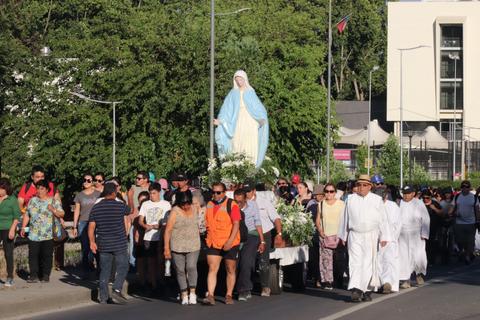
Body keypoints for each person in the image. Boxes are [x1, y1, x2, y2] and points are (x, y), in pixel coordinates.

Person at [338, 175, 391, 302]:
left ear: (370, 186)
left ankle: (367, 290)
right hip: (355, 235)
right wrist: (343, 235)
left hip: (371, 235)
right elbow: (345, 218)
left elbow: (383, 220)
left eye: (365, 185)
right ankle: (356, 289)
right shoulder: (350, 199)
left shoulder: (377, 200)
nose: (361, 187)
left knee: (368, 263)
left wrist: (384, 236)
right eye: (359, 185)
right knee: (355, 262)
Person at [214, 70, 269, 168]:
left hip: (250, 120)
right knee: (237, 141)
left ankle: (249, 163)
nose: (239, 82)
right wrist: (221, 121)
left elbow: (259, 108)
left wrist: (261, 118)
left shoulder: (251, 92)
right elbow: (226, 109)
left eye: (241, 79)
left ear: (245, 79)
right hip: (237, 120)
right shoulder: (232, 93)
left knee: (249, 141)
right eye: (237, 80)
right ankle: (237, 164)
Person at [88, 182, 131, 304]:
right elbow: (130, 210)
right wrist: (130, 197)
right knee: (123, 266)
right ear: (113, 193)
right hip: (119, 243)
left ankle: (103, 297)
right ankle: (117, 289)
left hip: (103, 243)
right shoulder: (120, 206)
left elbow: (91, 227)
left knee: (104, 270)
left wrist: (92, 242)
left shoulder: (96, 207)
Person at [203, 182, 241, 306]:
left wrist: (230, 241)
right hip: (213, 242)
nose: (215, 195)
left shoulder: (232, 204)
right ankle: (210, 295)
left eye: (218, 192)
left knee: (230, 269)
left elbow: (236, 224)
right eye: (213, 192)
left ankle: (229, 295)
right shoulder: (209, 204)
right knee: (212, 268)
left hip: (229, 242)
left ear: (224, 193)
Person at [20, 179, 64, 283]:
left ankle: (45, 275)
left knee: (46, 255)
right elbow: (27, 214)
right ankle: (33, 275)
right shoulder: (32, 200)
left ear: (47, 190)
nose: (39, 191)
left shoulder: (53, 201)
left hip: (47, 234)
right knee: (33, 255)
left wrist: (53, 210)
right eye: (38, 188)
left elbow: (62, 214)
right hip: (33, 234)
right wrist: (23, 226)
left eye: (42, 188)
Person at [245, 182, 282, 297]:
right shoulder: (242, 203)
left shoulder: (264, 202)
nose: (247, 194)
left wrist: (279, 233)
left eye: (249, 191)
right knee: (247, 261)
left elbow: (276, 218)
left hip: (265, 233)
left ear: (254, 191)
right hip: (249, 234)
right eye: (245, 191)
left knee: (263, 261)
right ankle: (247, 287)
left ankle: (265, 286)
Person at [164, 190, 201, 305]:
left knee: (191, 267)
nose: (185, 206)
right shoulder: (175, 211)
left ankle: (193, 292)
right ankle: (184, 293)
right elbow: (168, 230)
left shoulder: (195, 208)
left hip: (193, 244)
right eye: (183, 204)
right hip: (177, 245)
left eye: (187, 203)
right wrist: (166, 248)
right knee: (180, 270)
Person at [138, 182, 171, 293]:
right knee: (151, 262)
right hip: (149, 238)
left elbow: (168, 221)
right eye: (150, 193)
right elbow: (140, 220)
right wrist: (145, 225)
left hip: (161, 237)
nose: (152, 196)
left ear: (159, 192)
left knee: (161, 261)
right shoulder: (145, 204)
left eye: (154, 193)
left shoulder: (166, 204)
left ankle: (161, 282)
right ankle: (153, 285)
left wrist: (161, 225)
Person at [235, 188, 265, 301]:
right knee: (235, 263)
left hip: (251, 235)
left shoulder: (252, 205)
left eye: (240, 202)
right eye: (236, 201)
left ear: (245, 200)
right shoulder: (232, 207)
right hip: (236, 236)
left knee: (246, 262)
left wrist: (262, 241)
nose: (238, 204)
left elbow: (257, 222)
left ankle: (244, 290)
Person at [398, 185, 430, 289]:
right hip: (402, 234)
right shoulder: (399, 203)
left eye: (408, 193)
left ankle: (418, 274)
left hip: (416, 233)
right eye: (404, 193)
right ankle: (406, 279)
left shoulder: (419, 203)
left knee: (418, 255)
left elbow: (425, 219)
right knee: (403, 256)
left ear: (413, 193)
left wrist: (424, 233)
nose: (406, 196)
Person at [315, 183, 345, 290]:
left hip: (338, 236)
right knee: (326, 260)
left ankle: (339, 279)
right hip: (325, 236)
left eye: (331, 191)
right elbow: (318, 219)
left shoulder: (342, 204)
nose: (329, 193)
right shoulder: (321, 204)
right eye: (327, 191)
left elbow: (345, 220)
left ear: (335, 193)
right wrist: (320, 230)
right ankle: (327, 281)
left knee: (339, 260)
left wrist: (344, 234)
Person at [73, 173, 101, 273]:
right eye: (84, 180)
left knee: (97, 246)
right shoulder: (79, 195)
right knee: (85, 247)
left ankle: (99, 269)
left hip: (96, 222)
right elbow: (77, 211)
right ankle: (86, 270)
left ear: (92, 182)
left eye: (89, 180)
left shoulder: (98, 194)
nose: (86, 182)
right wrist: (75, 226)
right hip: (83, 222)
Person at [377, 188, 401, 294]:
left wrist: (391, 238)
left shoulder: (393, 206)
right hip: (378, 239)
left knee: (388, 262)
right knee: (380, 262)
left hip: (390, 239)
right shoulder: (375, 206)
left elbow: (398, 224)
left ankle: (387, 282)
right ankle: (381, 283)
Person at [449, 180, 478, 265]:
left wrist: (478, 220)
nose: (465, 188)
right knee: (459, 240)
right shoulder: (457, 196)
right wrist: (450, 212)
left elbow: (477, 209)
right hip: (459, 222)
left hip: (471, 223)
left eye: (467, 187)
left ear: (469, 188)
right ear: (461, 188)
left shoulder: (474, 197)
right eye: (463, 187)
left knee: (470, 241)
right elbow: (452, 205)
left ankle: (468, 256)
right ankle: (464, 252)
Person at [127, 171, 150, 269]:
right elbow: (130, 206)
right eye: (136, 178)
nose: (137, 180)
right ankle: (133, 264)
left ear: (146, 179)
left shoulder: (152, 189)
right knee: (133, 242)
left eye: (139, 178)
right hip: (135, 219)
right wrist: (130, 197)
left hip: (148, 220)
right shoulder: (133, 188)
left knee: (147, 242)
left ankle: (147, 264)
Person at [0, 178, 21, 287]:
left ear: (6, 188)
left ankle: (10, 277)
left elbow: (17, 216)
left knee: (8, 253)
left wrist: (13, 229)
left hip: (8, 228)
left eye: (1, 188)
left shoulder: (12, 200)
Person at [307, 184, 325, 287]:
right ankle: (317, 278)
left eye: (321, 194)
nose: (319, 196)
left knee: (324, 258)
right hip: (314, 235)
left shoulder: (327, 204)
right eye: (317, 194)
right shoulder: (312, 205)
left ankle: (323, 278)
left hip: (325, 234)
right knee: (315, 258)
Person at [422, 190, 443, 265]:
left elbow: (442, 213)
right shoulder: (420, 204)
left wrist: (434, 208)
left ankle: (432, 259)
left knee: (433, 244)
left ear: (430, 197)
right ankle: (425, 259)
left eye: (427, 198)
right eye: (423, 198)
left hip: (434, 227)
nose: (425, 199)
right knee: (425, 245)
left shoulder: (435, 204)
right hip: (423, 228)